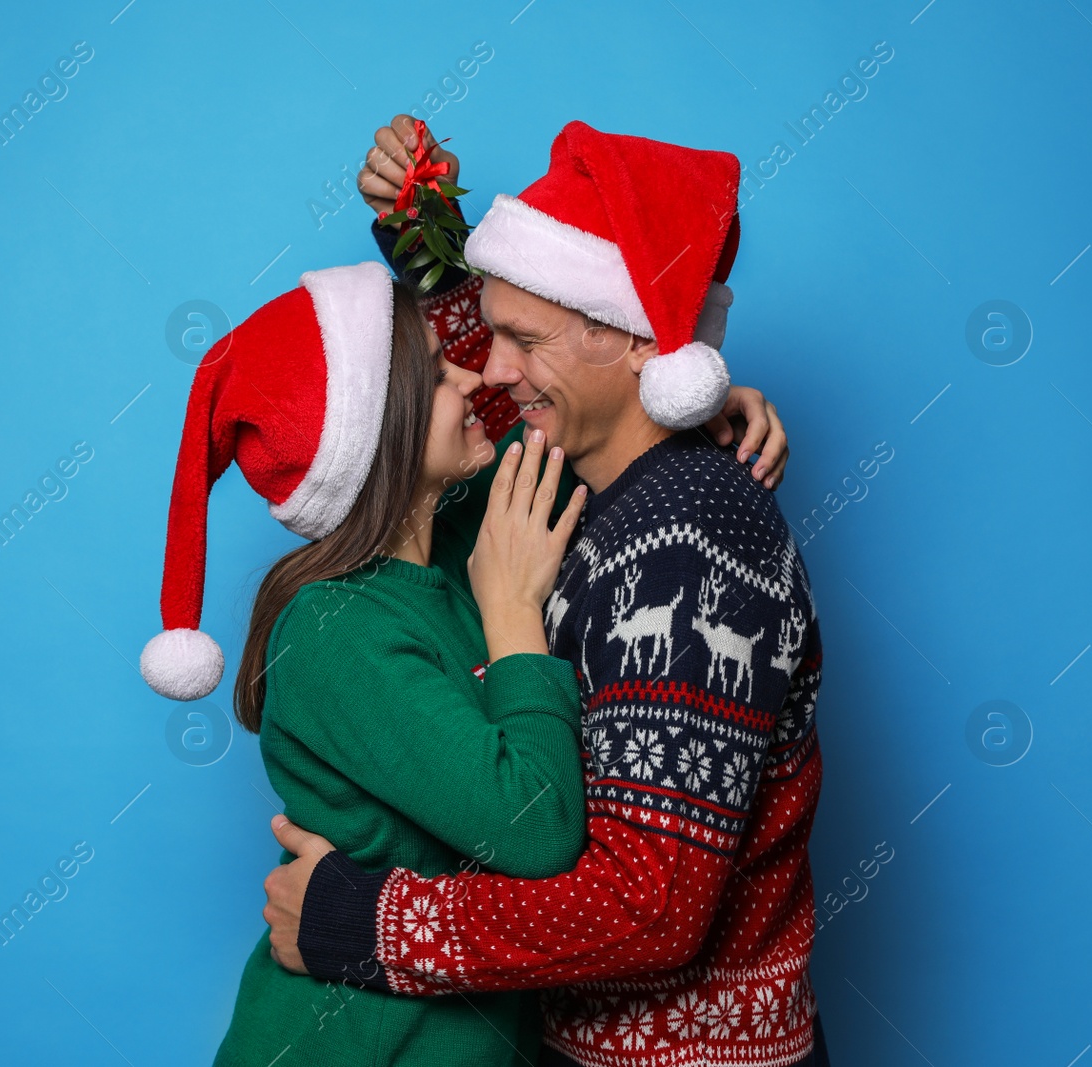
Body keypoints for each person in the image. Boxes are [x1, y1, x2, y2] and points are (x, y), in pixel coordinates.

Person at [262, 119, 830, 1067]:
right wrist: (418, 217)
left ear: (636, 343)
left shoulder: (690, 542)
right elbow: (440, 425)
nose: (491, 365)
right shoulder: (592, 493)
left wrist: (363, 924)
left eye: (520, 338)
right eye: (492, 336)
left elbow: (648, 909)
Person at [138, 273, 792, 1061]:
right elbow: (537, 829)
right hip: (357, 1043)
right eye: (443, 371)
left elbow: (577, 422)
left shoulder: (451, 555)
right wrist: (515, 615)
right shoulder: (333, 631)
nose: (479, 377)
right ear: (382, 428)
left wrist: (684, 397)